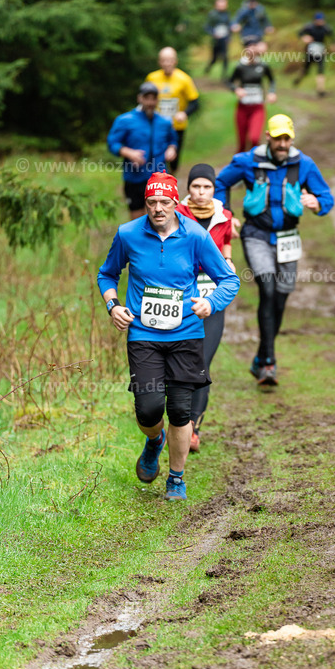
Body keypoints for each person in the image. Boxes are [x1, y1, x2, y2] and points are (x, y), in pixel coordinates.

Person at [97, 172, 240, 500]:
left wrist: (210, 302)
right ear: (145, 203)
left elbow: (229, 280)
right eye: (151, 202)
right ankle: (154, 440)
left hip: (186, 333)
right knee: (148, 409)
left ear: (176, 203)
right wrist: (113, 305)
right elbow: (107, 273)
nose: (158, 208)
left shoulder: (196, 237)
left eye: (164, 202)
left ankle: (176, 476)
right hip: (143, 334)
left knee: (179, 410)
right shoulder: (128, 234)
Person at [215, 114, 334, 386]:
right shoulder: (248, 161)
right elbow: (221, 182)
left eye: (286, 138)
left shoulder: (304, 164)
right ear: (267, 136)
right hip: (256, 234)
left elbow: (327, 197)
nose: (282, 143)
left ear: (292, 139)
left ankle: (260, 356)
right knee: (267, 288)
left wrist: (317, 203)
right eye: (277, 138)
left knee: (280, 298)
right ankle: (269, 362)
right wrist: (226, 213)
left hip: (288, 239)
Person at [176, 163, 235, 452]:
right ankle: (177, 422)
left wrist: (229, 262)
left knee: (202, 361)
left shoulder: (225, 215)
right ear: (189, 188)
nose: (201, 192)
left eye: (206, 187)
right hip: (181, 296)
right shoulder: (176, 214)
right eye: (196, 186)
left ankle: (193, 427)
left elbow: (226, 245)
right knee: (180, 361)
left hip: (213, 298)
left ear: (214, 190)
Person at [107, 82, 178, 219]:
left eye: (153, 98)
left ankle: (158, 241)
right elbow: (112, 143)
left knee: (159, 217)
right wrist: (128, 152)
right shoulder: (125, 120)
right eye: (147, 98)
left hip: (159, 177)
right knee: (137, 219)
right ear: (140, 98)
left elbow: (173, 140)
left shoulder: (165, 121)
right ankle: (138, 241)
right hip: (135, 176)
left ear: (157, 100)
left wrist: (172, 148)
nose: (150, 102)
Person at [146, 47, 200, 174]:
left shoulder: (184, 79)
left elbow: (195, 102)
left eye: (169, 60)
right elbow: (145, 99)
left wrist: (184, 113)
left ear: (175, 61)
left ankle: (172, 178)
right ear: (159, 62)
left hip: (176, 125)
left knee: (174, 157)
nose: (167, 63)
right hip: (156, 125)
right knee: (156, 154)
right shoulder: (152, 78)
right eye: (164, 60)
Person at [228, 40, 277, 153]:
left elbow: (272, 80)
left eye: (255, 47)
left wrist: (271, 92)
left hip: (257, 107)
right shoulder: (240, 66)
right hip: (243, 107)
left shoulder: (263, 65)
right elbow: (230, 82)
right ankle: (240, 167)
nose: (252, 50)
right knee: (242, 143)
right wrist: (236, 89)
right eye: (250, 47)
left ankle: (256, 165)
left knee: (254, 139)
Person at [294, 12, 335, 96]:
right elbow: (299, 33)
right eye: (319, 20)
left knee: (321, 69)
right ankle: (299, 78)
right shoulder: (309, 27)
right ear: (315, 20)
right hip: (310, 52)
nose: (321, 22)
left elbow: (332, 37)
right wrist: (304, 37)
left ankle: (321, 90)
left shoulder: (326, 28)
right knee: (306, 69)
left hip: (320, 51)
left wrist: (334, 44)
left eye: (322, 20)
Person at [203, 0, 232, 81]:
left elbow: (229, 26)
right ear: (216, 5)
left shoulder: (227, 14)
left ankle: (224, 74)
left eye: (224, 5)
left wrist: (229, 37)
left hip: (224, 38)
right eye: (221, 5)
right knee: (214, 58)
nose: (222, 7)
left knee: (225, 56)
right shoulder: (212, 14)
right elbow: (206, 27)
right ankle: (208, 69)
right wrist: (213, 33)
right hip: (216, 40)